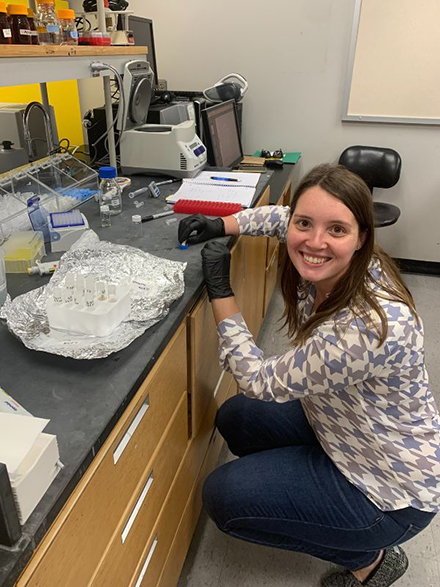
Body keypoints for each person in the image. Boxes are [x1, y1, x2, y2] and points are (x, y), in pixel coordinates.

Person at [177, 164, 440, 587]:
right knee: (238, 417)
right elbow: (281, 219)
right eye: (306, 223)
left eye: (336, 230)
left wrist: (221, 293)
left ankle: (370, 558)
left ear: (362, 239)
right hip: (348, 429)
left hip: (389, 491)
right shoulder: (345, 258)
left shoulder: (366, 328)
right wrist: (220, 223)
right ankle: (300, 491)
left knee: (223, 498)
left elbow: (259, 379)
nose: (315, 242)